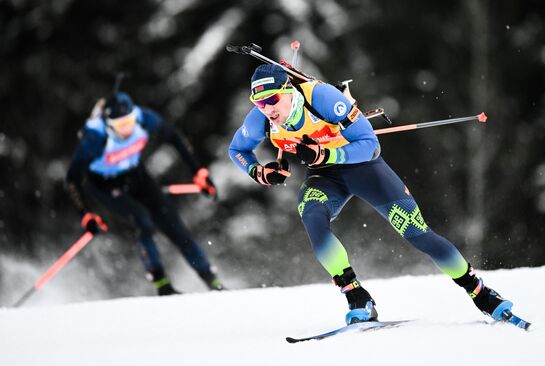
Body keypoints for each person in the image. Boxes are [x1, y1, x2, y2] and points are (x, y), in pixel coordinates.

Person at [228, 63, 515, 324]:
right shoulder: (260, 120)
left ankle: (480, 293)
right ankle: (357, 297)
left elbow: (370, 145)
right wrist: (259, 172)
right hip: (325, 177)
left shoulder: (323, 98)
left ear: (288, 90)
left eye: (272, 100)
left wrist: (325, 153)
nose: (267, 108)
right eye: (259, 102)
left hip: (364, 167)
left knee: (418, 234)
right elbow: (237, 150)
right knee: (311, 216)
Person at [66, 91, 224, 295]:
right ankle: (162, 285)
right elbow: (72, 179)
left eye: (129, 121)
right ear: (108, 124)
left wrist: (198, 172)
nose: (126, 128)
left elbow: (174, 136)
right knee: (142, 219)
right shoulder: (94, 139)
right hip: (104, 185)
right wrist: (85, 213)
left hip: (136, 175)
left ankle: (213, 283)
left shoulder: (145, 119)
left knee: (175, 226)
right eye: (119, 125)